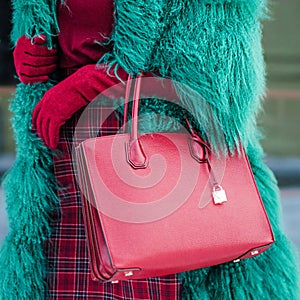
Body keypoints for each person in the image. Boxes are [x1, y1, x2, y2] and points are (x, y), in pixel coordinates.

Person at [0, 0, 299, 299]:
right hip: (64, 141)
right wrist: (32, 49)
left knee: (163, 276)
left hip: (156, 134)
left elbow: (212, 62)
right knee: (62, 279)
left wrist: (106, 77)